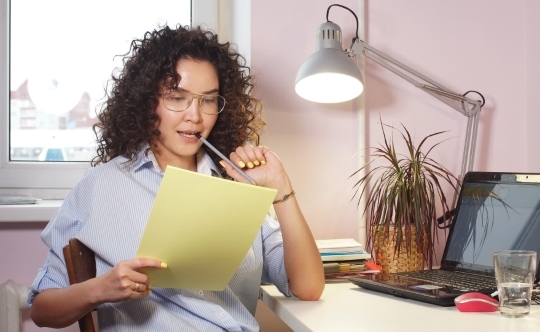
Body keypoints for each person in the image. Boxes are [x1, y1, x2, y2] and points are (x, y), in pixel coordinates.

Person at [28, 25, 324, 331]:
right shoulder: (101, 185)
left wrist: (281, 191)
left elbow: (307, 288)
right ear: (147, 101)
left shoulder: (237, 185)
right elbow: (42, 309)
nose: (195, 116)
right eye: (177, 97)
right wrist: (100, 290)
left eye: (208, 100)